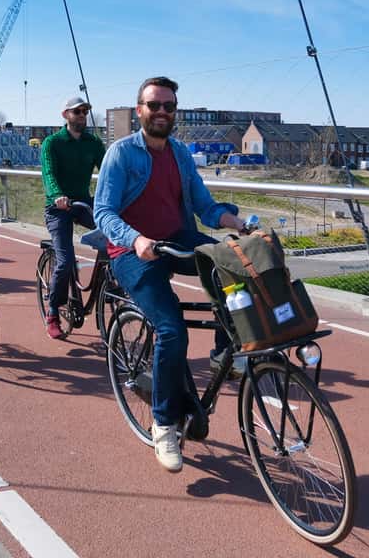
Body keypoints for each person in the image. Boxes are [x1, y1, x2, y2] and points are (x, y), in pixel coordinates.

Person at [94, 76, 246, 473]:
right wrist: (135, 238)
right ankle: (164, 425)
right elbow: (104, 212)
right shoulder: (121, 154)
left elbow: (205, 206)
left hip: (175, 238)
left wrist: (235, 222)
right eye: (154, 105)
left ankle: (223, 353)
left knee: (230, 266)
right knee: (171, 328)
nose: (162, 112)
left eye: (169, 106)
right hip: (132, 251)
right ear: (139, 110)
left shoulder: (179, 153)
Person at [40, 96, 105, 339]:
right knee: (65, 261)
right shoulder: (52, 143)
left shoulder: (93, 143)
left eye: (85, 111)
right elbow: (48, 173)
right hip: (58, 207)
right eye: (77, 111)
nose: (82, 115)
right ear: (65, 115)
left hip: (83, 203)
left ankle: (110, 284)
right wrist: (57, 194)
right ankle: (53, 312)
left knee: (117, 234)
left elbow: (108, 170)